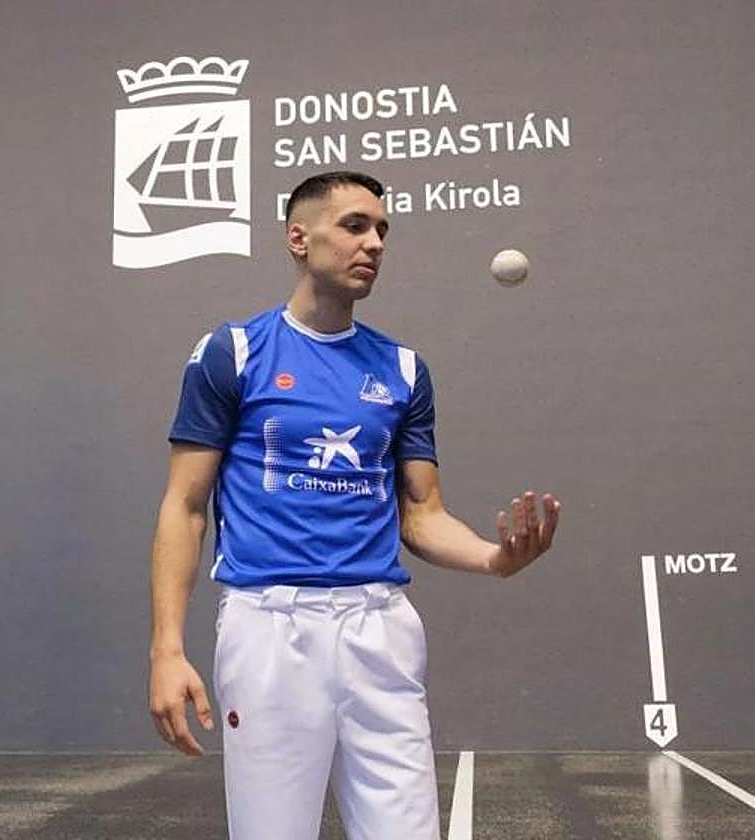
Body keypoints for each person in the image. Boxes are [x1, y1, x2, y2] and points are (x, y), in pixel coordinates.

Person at [148, 170, 560, 839]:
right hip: (270, 630)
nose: (374, 243)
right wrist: (166, 648)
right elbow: (185, 506)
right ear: (298, 238)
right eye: (354, 225)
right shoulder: (234, 353)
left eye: (382, 230)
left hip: (381, 632)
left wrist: (493, 559)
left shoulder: (401, 370)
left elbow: (421, 513)